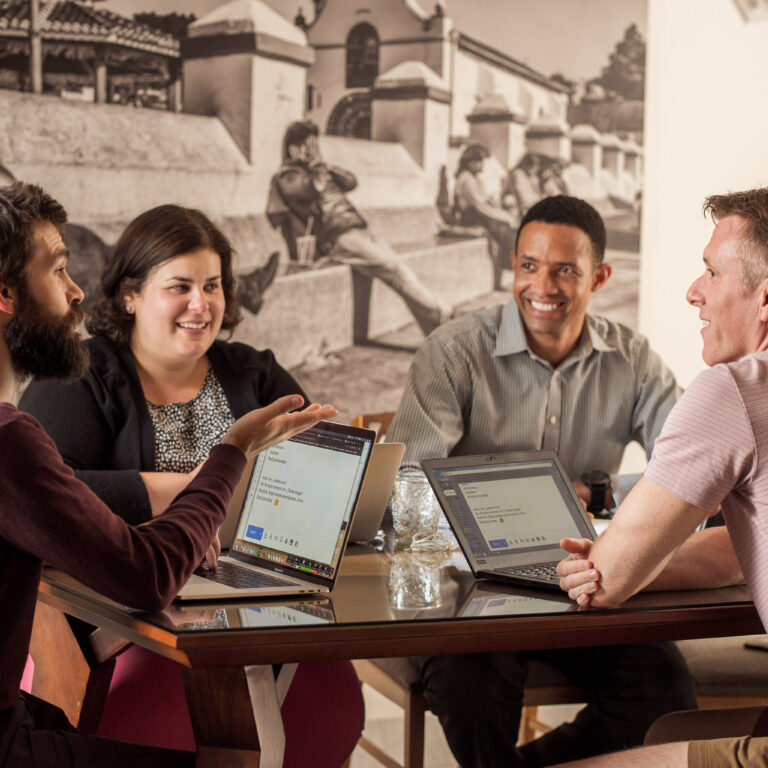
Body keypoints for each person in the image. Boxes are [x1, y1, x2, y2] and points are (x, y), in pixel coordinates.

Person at [0, 180, 336, 767]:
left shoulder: (249, 368)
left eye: (212, 286)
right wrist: (230, 453)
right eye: (57, 269)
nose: (75, 291)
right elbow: (147, 576)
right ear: (5, 293)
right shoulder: (12, 438)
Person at [387, 194, 696, 767]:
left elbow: (689, 471)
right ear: (512, 265)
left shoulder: (633, 360)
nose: (542, 286)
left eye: (565, 270)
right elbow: (407, 481)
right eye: (529, 265)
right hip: (469, 588)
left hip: (586, 583)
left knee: (662, 688)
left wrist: (602, 494)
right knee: (471, 689)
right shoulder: (454, 351)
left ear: (599, 277)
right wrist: (511, 505)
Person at [554, 189, 768, 766]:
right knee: (665, 729)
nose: (694, 291)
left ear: (765, 298)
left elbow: (608, 583)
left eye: (712, 272)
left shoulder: (735, 391)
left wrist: (606, 564)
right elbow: (737, 551)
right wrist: (627, 562)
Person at [266, 119, 451, 337]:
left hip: (359, 230)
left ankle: (435, 332)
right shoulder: (287, 176)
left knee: (400, 270)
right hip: (337, 238)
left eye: (316, 144)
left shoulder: (320, 170)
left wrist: (326, 166)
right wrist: (317, 166)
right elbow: (313, 190)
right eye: (309, 145)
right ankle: (442, 314)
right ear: (293, 148)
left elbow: (351, 182)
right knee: (394, 271)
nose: (315, 150)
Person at [453, 143, 518, 289]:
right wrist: (504, 218)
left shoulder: (475, 178)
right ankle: (511, 269)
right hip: (471, 217)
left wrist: (506, 215)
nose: (481, 164)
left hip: (481, 215)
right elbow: (479, 206)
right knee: (505, 231)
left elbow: (486, 202)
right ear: (468, 162)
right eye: (477, 161)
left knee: (510, 229)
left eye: (481, 161)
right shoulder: (466, 179)